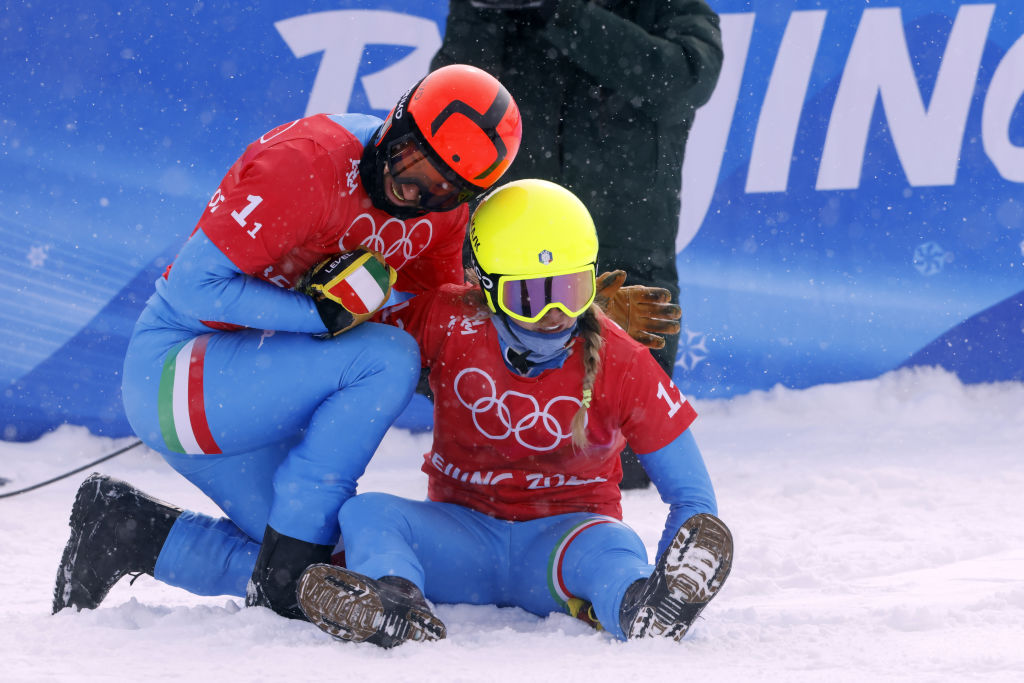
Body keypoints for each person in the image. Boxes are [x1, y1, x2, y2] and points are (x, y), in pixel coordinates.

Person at [51, 64, 523, 621]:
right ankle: (292, 558)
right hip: (178, 370)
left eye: (446, 189)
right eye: (415, 164)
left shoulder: (441, 217)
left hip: (251, 386)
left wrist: (575, 326)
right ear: (396, 124)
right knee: (386, 357)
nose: (416, 192)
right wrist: (317, 315)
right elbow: (192, 287)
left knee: (340, 571)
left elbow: (438, 321)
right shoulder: (306, 163)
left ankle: (127, 532)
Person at [293, 178, 733, 648]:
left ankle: (643, 606)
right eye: (530, 297)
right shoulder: (448, 318)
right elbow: (354, 353)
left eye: (571, 289)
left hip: (566, 547)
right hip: (459, 540)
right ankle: (394, 600)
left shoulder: (622, 360)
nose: (556, 314)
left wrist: (674, 570)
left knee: (615, 546)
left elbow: (693, 502)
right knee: (367, 513)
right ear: (485, 289)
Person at [431, 0, 724, 488]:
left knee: (619, 473)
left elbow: (682, 81)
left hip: (626, 258)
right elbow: (452, 102)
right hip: (514, 261)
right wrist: (486, 13)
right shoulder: (496, 9)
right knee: (490, 466)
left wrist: (559, 11)